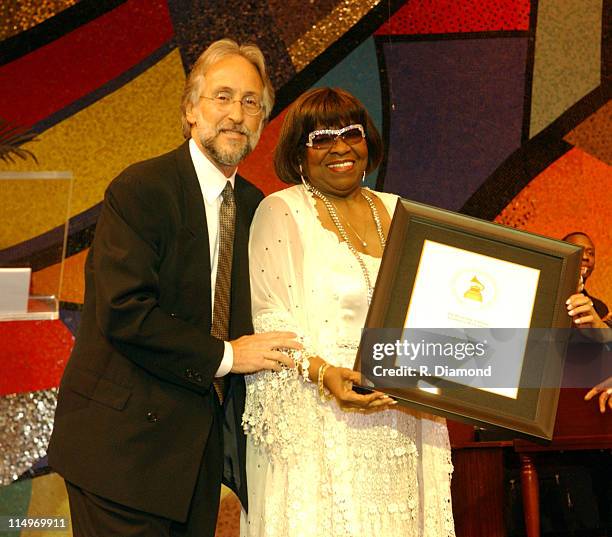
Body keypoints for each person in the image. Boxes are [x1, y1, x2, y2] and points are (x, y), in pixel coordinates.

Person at [47, 39, 300, 537]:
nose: (236, 114)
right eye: (222, 97)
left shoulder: (259, 208)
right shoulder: (141, 189)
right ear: (190, 110)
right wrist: (228, 356)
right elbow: (125, 312)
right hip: (120, 454)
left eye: (251, 102)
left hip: (194, 465)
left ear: (263, 120)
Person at [241, 87, 455, 536]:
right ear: (299, 153)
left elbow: (439, 308)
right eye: (320, 138)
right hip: (323, 417)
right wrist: (324, 375)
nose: (339, 147)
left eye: (350, 133)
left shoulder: (401, 211)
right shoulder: (281, 211)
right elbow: (272, 322)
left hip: (403, 415)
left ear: (367, 141)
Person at [563, 232, 611, 323]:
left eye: (590, 253)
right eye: (579, 251)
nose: (585, 257)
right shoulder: (542, 296)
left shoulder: (600, 308)